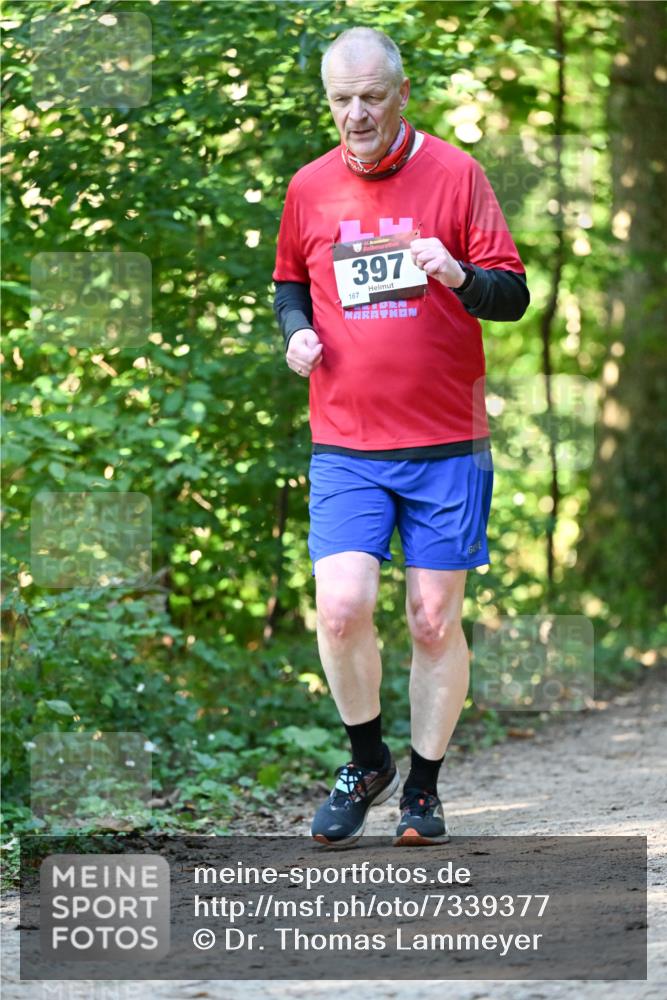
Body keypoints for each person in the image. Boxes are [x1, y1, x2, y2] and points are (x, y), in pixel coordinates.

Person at [273, 27, 529, 848]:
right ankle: (366, 762)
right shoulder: (309, 187)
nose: (355, 114)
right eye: (341, 100)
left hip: (446, 441)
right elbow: (288, 284)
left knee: (430, 621)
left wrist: (457, 274)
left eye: (370, 97)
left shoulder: (457, 174)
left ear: (401, 94)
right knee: (341, 609)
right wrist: (294, 332)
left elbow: (512, 294)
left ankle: (422, 787)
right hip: (346, 441)